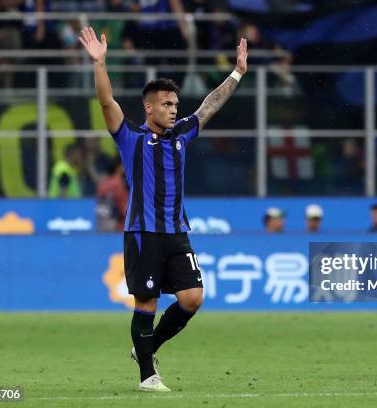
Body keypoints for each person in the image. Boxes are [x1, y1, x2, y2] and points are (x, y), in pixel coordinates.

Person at [79, 26, 247, 392]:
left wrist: (236, 73)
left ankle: (148, 349)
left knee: (192, 298)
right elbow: (107, 102)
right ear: (149, 107)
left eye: (175, 104)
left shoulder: (182, 135)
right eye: (167, 104)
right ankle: (147, 377)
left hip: (176, 232)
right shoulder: (130, 138)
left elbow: (210, 105)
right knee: (147, 302)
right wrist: (100, 62)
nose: (174, 110)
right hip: (143, 232)